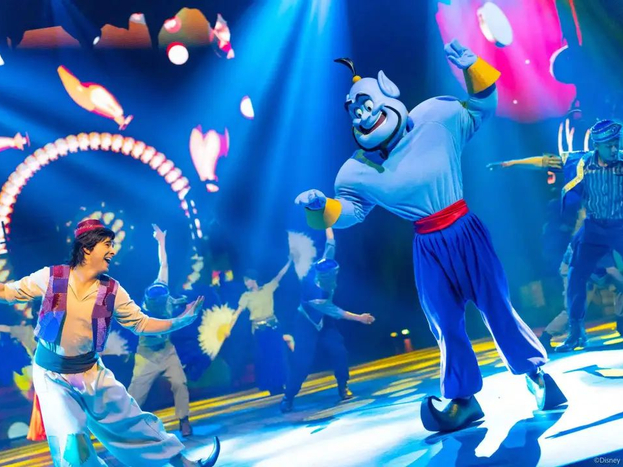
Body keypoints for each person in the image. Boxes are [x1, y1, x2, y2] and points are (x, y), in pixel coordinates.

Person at [295, 40, 564, 432]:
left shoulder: (435, 117)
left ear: (388, 92)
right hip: (428, 246)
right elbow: (350, 212)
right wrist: (319, 208)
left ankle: (537, 376)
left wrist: (473, 67)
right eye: (355, 111)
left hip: (464, 230)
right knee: (445, 323)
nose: (363, 115)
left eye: (367, 103)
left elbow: (482, 108)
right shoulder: (357, 171)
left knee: (498, 307)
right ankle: (462, 400)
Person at [0, 219, 219, 467]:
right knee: (72, 443)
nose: (112, 252)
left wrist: (180, 321)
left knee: (132, 421)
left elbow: (140, 323)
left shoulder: (112, 290)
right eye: (107, 245)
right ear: (87, 249)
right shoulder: (52, 277)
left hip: (91, 371)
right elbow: (5, 291)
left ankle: (183, 463)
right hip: (53, 377)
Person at [280, 228, 375, 413]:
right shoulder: (315, 293)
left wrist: (326, 223)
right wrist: (361, 318)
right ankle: (288, 397)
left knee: (338, 350)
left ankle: (343, 386)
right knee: (302, 361)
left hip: (325, 320)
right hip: (307, 322)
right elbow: (337, 312)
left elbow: (330, 243)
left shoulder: (326, 264)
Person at [554, 120, 623, 351]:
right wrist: (511, 164)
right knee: (576, 276)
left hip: (620, 226)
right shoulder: (582, 163)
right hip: (594, 229)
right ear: (597, 146)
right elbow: (548, 162)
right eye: (609, 145)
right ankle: (576, 333)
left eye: (616, 144)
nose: (614, 149)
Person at [128, 225, 193, 437]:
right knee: (136, 394)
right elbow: (171, 325)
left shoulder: (161, 288)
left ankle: (184, 420)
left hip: (167, 350)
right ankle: (127, 428)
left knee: (179, 382)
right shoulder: (143, 317)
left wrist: (161, 242)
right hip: (147, 354)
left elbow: (163, 264)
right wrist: (186, 316)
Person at [228, 258, 292, 394]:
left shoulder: (267, 288)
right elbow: (237, 313)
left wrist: (289, 262)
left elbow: (280, 275)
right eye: (244, 281)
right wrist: (228, 328)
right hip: (260, 330)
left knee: (277, 355)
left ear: (253, 280)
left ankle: (281, 383)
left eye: (247, 280)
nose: (245, 283)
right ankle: (271, 385)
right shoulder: (246, 296)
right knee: (265, 358)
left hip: (273, 327)